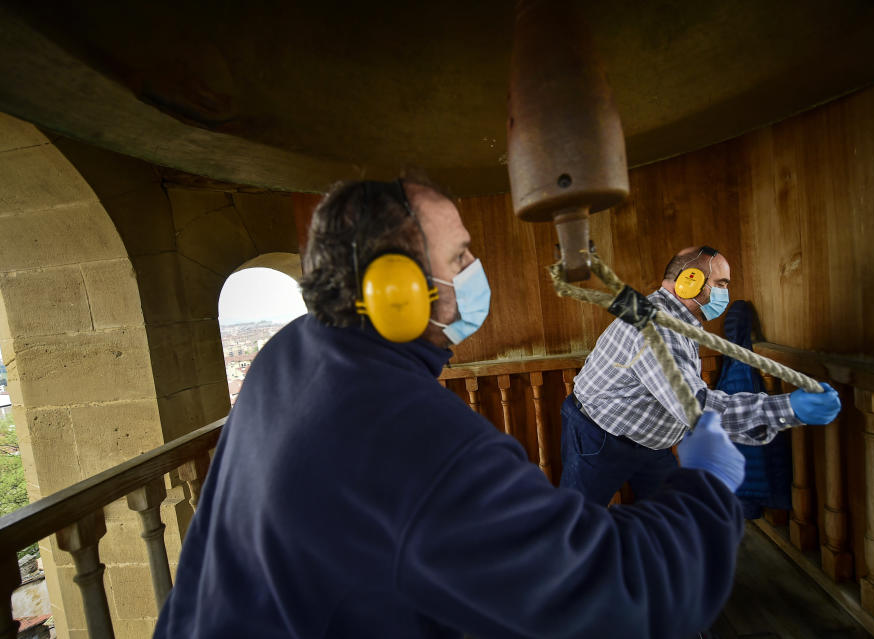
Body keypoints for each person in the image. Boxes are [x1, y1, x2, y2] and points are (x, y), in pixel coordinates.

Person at [155, 183, 749, 639]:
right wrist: (709, 487)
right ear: (397, 288)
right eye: (461, 256)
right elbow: (619, 591)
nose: (475, 271)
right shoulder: (416, 435)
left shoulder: (291, 352)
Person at [559, 245, 841, 507]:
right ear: (689, 281)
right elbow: (696, 409)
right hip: (599, 434)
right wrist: (789, 408)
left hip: (649, 439)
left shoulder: (676, 318)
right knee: (575, 523)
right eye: (721, 284)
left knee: (671, 516)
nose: (725, 294)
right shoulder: (658, 328)